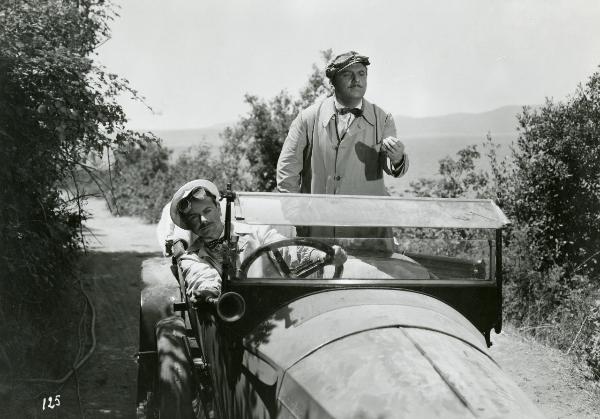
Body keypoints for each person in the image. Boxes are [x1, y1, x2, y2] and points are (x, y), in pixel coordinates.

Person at [168, 179, 347, 303]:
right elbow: (203, 279)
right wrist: (210, 292)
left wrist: (323, 255)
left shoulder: (256, 232)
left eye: (207, 211)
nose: (204, 220)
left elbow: (288, 251)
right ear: (189, 225)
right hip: (233, 318)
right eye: (194, 217)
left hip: (278, 307)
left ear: (218, 209)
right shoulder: (192, 257)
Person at [277, 50, 409, 196]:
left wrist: (397, 159)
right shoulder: (307, 118)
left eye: (361, 73)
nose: (356, 79)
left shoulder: (383, 118)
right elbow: (287, 170)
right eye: (347, 74)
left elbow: (394, 168)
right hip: (319, 216)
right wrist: (295, 213)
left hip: (367, 215)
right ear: (332, 82)